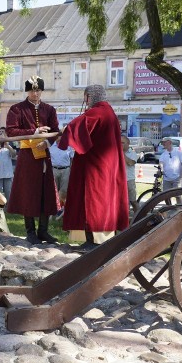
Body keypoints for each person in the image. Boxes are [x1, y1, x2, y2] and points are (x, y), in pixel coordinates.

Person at [59, 84, 129, 249]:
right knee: (104, 201)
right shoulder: (109, 111)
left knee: (93, 201)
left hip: (96, 167)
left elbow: (78, 125)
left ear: (90, 96)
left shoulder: (99, 111)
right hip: (107, 166)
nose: (85, 101)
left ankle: (93, 242)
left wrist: (66, 130)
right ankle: (99, 240)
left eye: (86, 97)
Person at [6, 75, 60, 245]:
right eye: (31, 90)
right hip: (27, 156)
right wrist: (35, 130)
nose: (35, 93)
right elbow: (11, 131)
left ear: (42, 90)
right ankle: (30, 231)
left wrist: (47, 142)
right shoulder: (17, 109)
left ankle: (43, 231)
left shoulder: (49, 110)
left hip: (44, 155)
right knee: (28, 193)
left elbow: (56, 131)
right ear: (27, 91)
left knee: (46, 192)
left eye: (37, 90)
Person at [49, 138, 74, 219]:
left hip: (66, 170)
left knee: (63, 191)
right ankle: (53, 211)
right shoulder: (51, 146)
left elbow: (73, 158)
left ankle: (61, 210)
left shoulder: (69, 146)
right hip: (54, 169)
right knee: (53, 191)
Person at [121, 135, 139, 214]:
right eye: (119, 142)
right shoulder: (116, 153)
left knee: (133, 201)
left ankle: (139, 216)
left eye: (122, 143)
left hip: (129, 180)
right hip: (120, 180)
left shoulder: (132, 153)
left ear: (128, 143)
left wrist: (122, 154)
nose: (120, 144)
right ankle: (125, 219)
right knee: (124, 202)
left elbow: (130, 163)